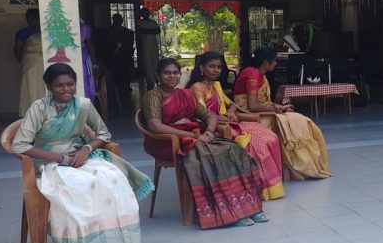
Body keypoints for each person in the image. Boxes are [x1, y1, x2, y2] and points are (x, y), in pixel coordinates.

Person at [11, 63, 153, 243]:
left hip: (78, 155)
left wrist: (86, 149)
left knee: (111, 177)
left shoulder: (84, 105)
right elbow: (19, 145)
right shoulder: (39, 108)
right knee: (75, 184)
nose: (66, 89)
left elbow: (103, 134)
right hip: (48, 161)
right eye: (59, 85)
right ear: (49, 86)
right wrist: (60, 158)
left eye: (70, 84)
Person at [142, 58, 266, 228]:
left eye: (175, 73)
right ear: (158, 75)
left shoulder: (185, 95)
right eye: (166, 73)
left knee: (233, 149)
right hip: (166, 142)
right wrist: (192, 136)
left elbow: (210, 116)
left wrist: (208, 132)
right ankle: (224, 211)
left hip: (192, 138)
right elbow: (155, 126)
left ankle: (247, 206)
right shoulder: (153, 96)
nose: (171, 76)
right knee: (211, 155)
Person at [189, 52, 286, 201]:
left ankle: (270, 183)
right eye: (211, 66)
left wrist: (230, 111)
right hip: (215, 126)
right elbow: (203, 114)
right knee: (258, 144)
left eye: (218, 67)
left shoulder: (215, 85)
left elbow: (232, 105)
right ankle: (260, 186)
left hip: (228, 122)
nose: (216, 70)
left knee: (270, 137)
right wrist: (225, 117)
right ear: (201, 68)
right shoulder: (197, 87)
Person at [233, 46, 332, 179]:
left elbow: (262, 102)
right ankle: (300, 167)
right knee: (297, 122)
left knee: (298, 119)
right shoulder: (252, 74)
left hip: (260, 112)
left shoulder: (258, 73)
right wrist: (275, 109)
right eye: (274, 61)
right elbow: (252, 105)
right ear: (265, 62)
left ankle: (304, 165)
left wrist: (279, 106)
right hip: (251, 115)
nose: (276, 63)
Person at [16, 8, 45, 116]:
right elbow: (18, 49)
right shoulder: (23, 33)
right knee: (30, 88)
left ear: (38, 19)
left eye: (32, 18)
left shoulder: (45, 31)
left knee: (43, 86)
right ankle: (30, 113)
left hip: (43, 63)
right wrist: (23, 61)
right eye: (28, 18)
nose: (30, 21)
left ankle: (43, 112)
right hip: (29, 63)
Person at [106, 13, 135, 92]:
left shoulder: (127, 32)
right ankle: (116, 86)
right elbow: (108, 43)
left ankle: (126, 85)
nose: (119, 21)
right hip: (114, 55)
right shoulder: (110, 31)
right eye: (117, 20)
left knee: (126, 69)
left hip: (125, 54)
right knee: (116, 70)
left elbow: (129, 41)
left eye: (120, 19)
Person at [136, 7, 162, 90]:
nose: (146, 14)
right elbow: (142, 31)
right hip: (145, 45)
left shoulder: (153, 22)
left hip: (154, 45)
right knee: (147, 63)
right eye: (144, 13)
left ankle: (157, 79)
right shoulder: (139, 22)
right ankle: (150, 81)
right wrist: (151, 30)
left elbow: (158, 31)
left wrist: (147, 31)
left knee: (156, 62)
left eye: (147, 13)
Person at [80, 20, 96, 101]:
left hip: (85, 56)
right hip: (82, 55)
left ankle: (88, 100)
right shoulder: (85, 27)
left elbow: (90, 45)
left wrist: (94, 63)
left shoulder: (85, 27)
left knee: (86, 78)